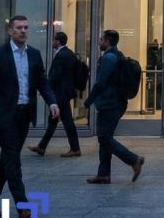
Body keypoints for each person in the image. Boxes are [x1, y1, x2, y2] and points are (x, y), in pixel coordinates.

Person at [0, 16, 58, 218]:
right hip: (2, 116)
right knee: (13, 158)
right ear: (10, 31)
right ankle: (23, 207)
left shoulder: (34, 54)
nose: (23, 31)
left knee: (8, 157)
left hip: (24, 115)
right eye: (19, 28)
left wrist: (52, 102)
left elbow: (42, 81)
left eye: (26, 28)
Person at [84, 29, 144, 184]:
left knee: (104, 138)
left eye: (101, 39)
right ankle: (103, 174)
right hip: (116, 102)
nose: (99, 41)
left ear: (107, 41)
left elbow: (100, 82)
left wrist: (89, 100)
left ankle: (133, 160)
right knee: (105, 137)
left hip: (110, 103)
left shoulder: (109, 58)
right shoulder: (118, 55)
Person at [29, 31, 82, 157]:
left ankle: (75, 148)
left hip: (60, 94)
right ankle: (42, 146)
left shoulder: (62, 55)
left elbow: (55, 76)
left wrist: (46, 90)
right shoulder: (69, 53)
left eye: (54, 40)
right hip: (64, 92)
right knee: (54, 120)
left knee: (66, 120)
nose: (52, 42)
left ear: (58, 41)